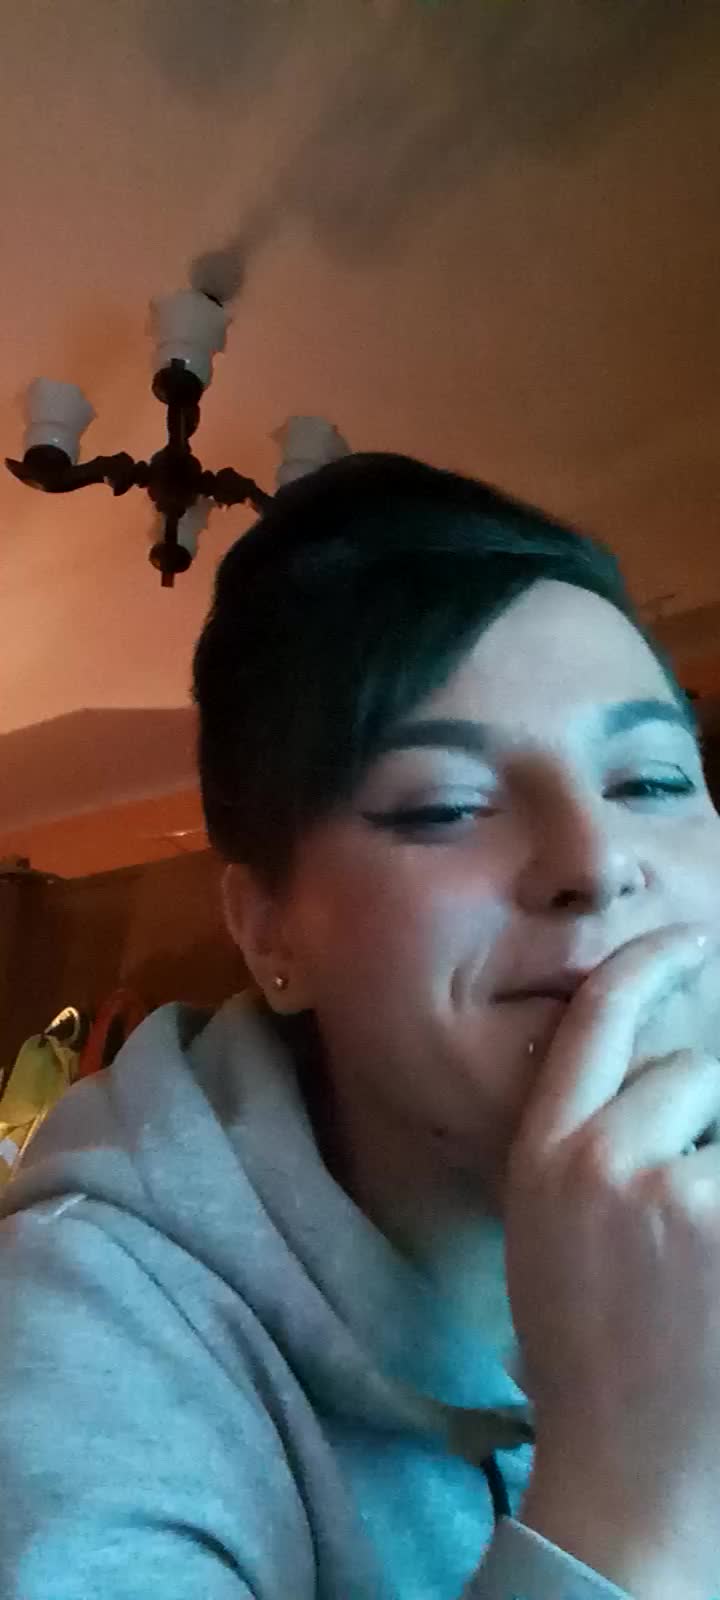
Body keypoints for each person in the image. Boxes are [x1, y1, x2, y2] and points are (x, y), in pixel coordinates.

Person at [2, 453, 720, 1600]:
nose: (595, 861)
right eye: (446, 806)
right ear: (268, 931)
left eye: (651, 782)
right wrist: (628, 1499)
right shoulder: (76, 1332)